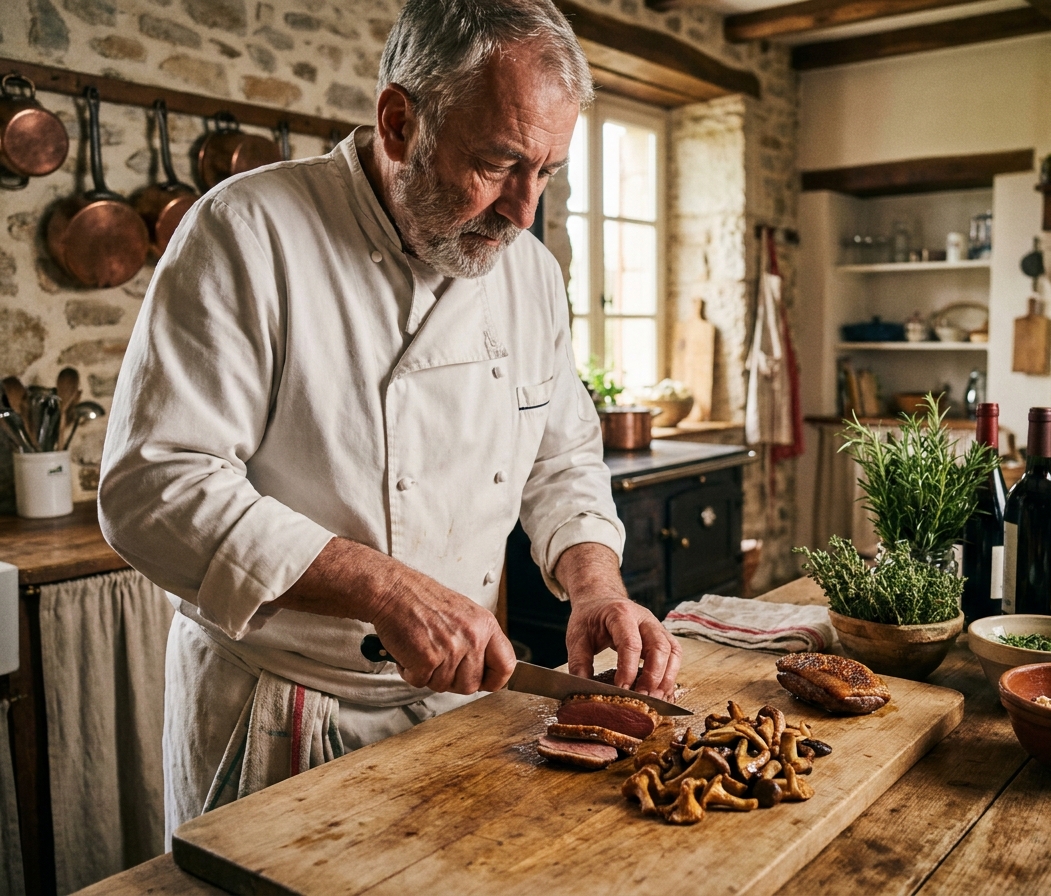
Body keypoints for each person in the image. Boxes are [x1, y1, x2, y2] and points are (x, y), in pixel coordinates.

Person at [98, 0, 681, 841]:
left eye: (547, 172)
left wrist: (596, 586)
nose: (524, 210)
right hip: (282, 711)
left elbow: (560, 459)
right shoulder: (248, 232)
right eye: (498, 163)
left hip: (463, 705)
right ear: (399, 120)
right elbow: (154, 488)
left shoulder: (532, 276)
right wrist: (384, 587)